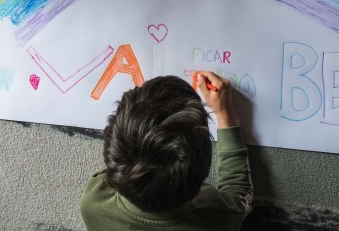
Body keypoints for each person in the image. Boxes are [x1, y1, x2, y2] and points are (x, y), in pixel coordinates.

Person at [80, 71, 253, 230]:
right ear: (204, 165)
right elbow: (238, 193)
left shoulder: (94, 203)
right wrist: (224, 114)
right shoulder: (217, 216)